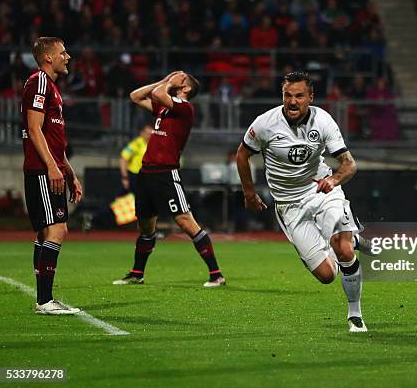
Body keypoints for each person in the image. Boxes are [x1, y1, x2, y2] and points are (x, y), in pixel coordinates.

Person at [236, 71, 369, 332]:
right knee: (327, 275)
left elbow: (349, 164)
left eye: (299, 95)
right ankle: (352, 237)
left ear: (310, 97)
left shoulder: (324, 120)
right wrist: (249, 193)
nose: (292, 101)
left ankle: (355, 314)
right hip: (289, 205)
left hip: (321, 191)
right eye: (287, 95)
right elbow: (242, 155)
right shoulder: (265, 124)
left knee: (343, 251)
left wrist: (334, 180)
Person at [113, 71, 225, 287]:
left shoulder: (185, 108)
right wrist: (166, 81)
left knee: (185, 221)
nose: (175, 78)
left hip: (166, 173)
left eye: (180, 78)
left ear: (187, 89)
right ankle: (137, 273)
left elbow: (157, 93)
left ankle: (216, 274)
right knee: (145, 226)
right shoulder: (164, 109)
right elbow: (135, 96)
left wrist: (167, 82)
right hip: (146, 173)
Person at [22, 37, 83, 315]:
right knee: (57, 230)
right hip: (42, 169)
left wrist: (68, 171)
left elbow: (53, 137)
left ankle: (43, 298)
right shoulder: (40, 82)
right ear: (48, 58)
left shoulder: (51, 88)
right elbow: (34, 129)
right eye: (63, 52)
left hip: (49, 167)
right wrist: (51, 166)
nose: (67, 57)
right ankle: (45, 301)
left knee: (47, 230)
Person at [119, 124, 152, 194]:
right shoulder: (136, 144)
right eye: (148, 133)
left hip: (146, 176)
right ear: (142, 133)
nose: (150, 136)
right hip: (134, 176)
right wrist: (125, 177)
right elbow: (123, 159)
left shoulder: (152, 144)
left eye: (151, 134)